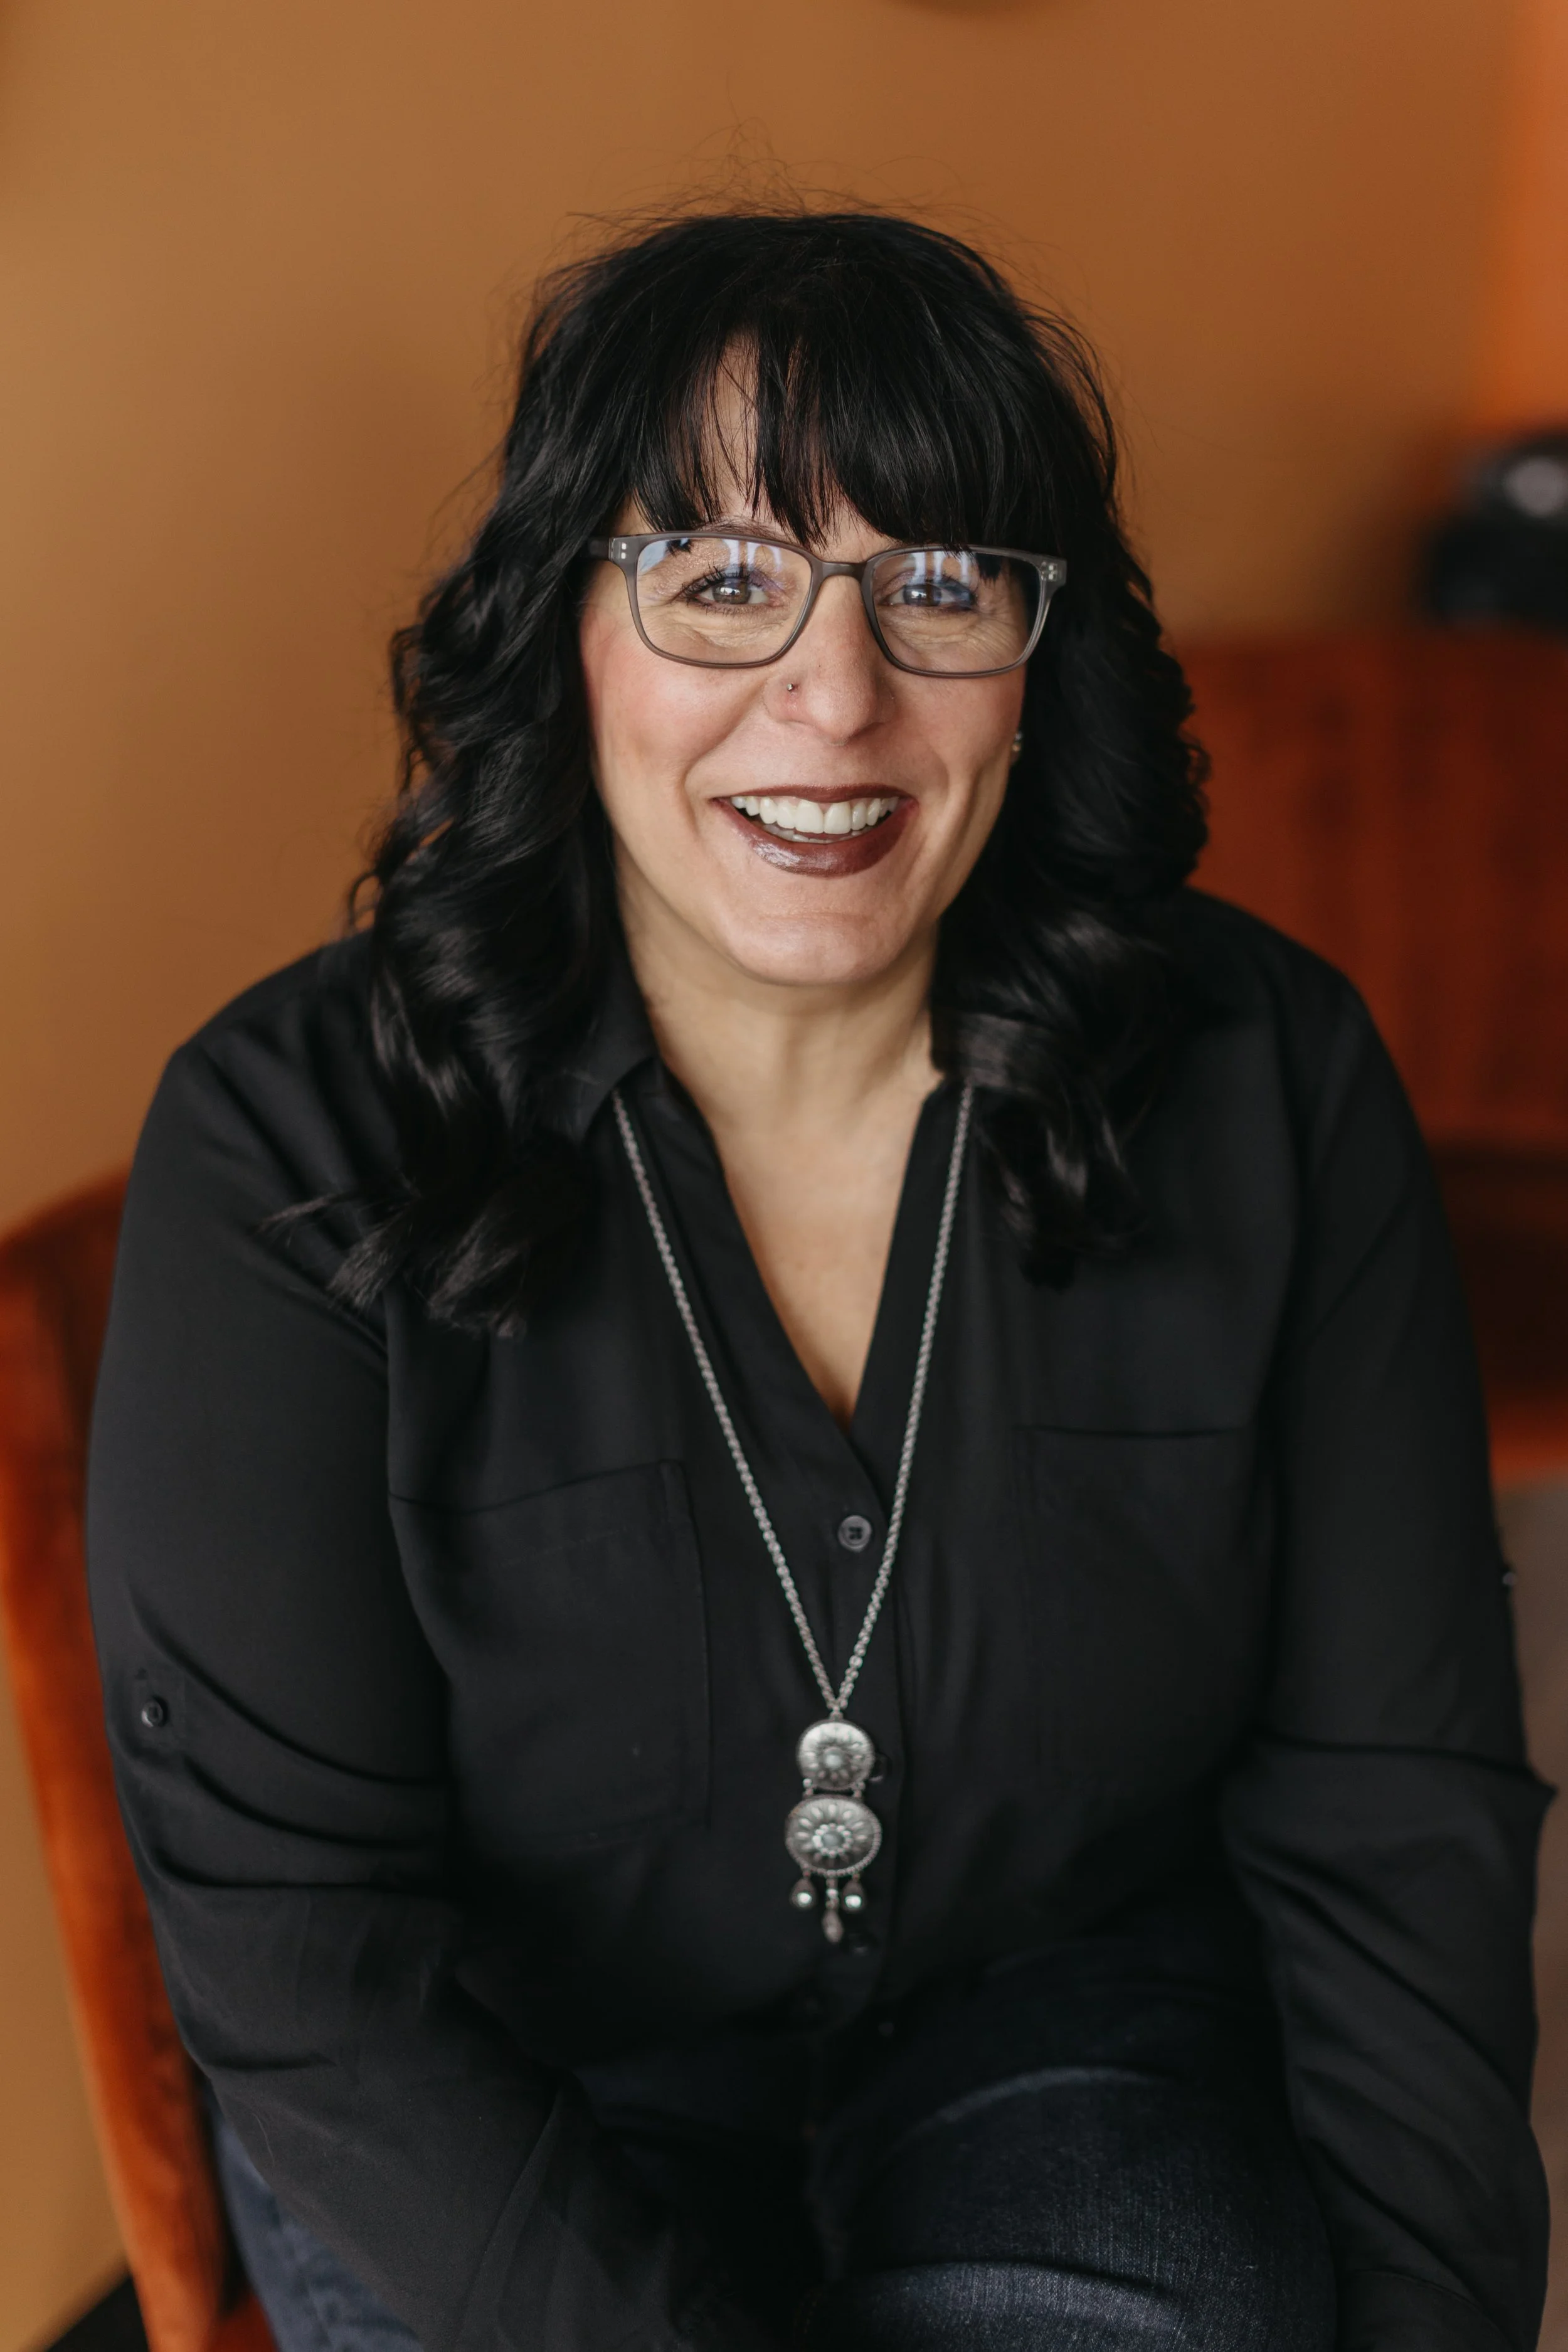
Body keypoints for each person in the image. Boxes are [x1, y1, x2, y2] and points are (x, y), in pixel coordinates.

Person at [87, 209, 1548, 2352]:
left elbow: (1392, 1809)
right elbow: (309, 1967)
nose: (837, 695)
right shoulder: (288, 1141)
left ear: (1039, 651)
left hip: (1065, 2021)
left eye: (937, 582)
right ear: (566, 631)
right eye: (719, 577)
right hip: (502, 2110)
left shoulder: (1267, 1081)